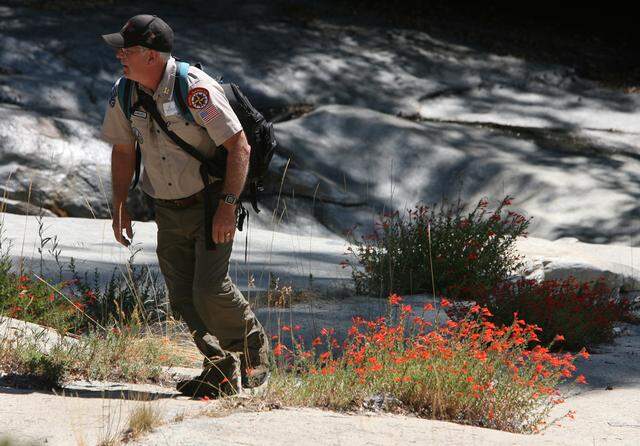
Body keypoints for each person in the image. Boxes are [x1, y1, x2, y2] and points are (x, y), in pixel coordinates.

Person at [100, 14, 270, 397]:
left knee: (209, 288)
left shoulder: (195, 90)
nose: (119, 57)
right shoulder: (125, 92)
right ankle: (218, 370)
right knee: (181, 296)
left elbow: (238, 146)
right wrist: (120, 203)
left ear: (151, 55)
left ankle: (252, 347)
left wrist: (228, 205)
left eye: (126, 51)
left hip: (210, 202)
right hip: (167, 208)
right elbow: (124, 149)